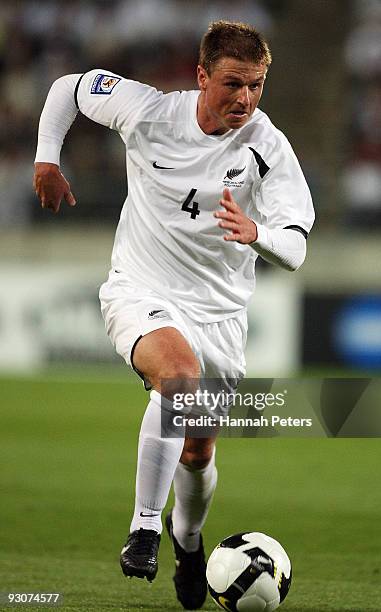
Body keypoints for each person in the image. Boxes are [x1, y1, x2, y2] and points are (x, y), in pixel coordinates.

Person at [33, 21, 315, 610]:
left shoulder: (268, 147)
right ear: (202, 76)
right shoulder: (150, 112)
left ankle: (187, 542)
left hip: (221, 315)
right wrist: (46, 159)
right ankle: (142, 528)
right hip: (141, 287)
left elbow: (295, 246)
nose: (245, 99)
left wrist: (257, 232)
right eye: (234, 84)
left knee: (198, 450)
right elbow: (68, 88)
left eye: (257, 86)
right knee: (178, 379)